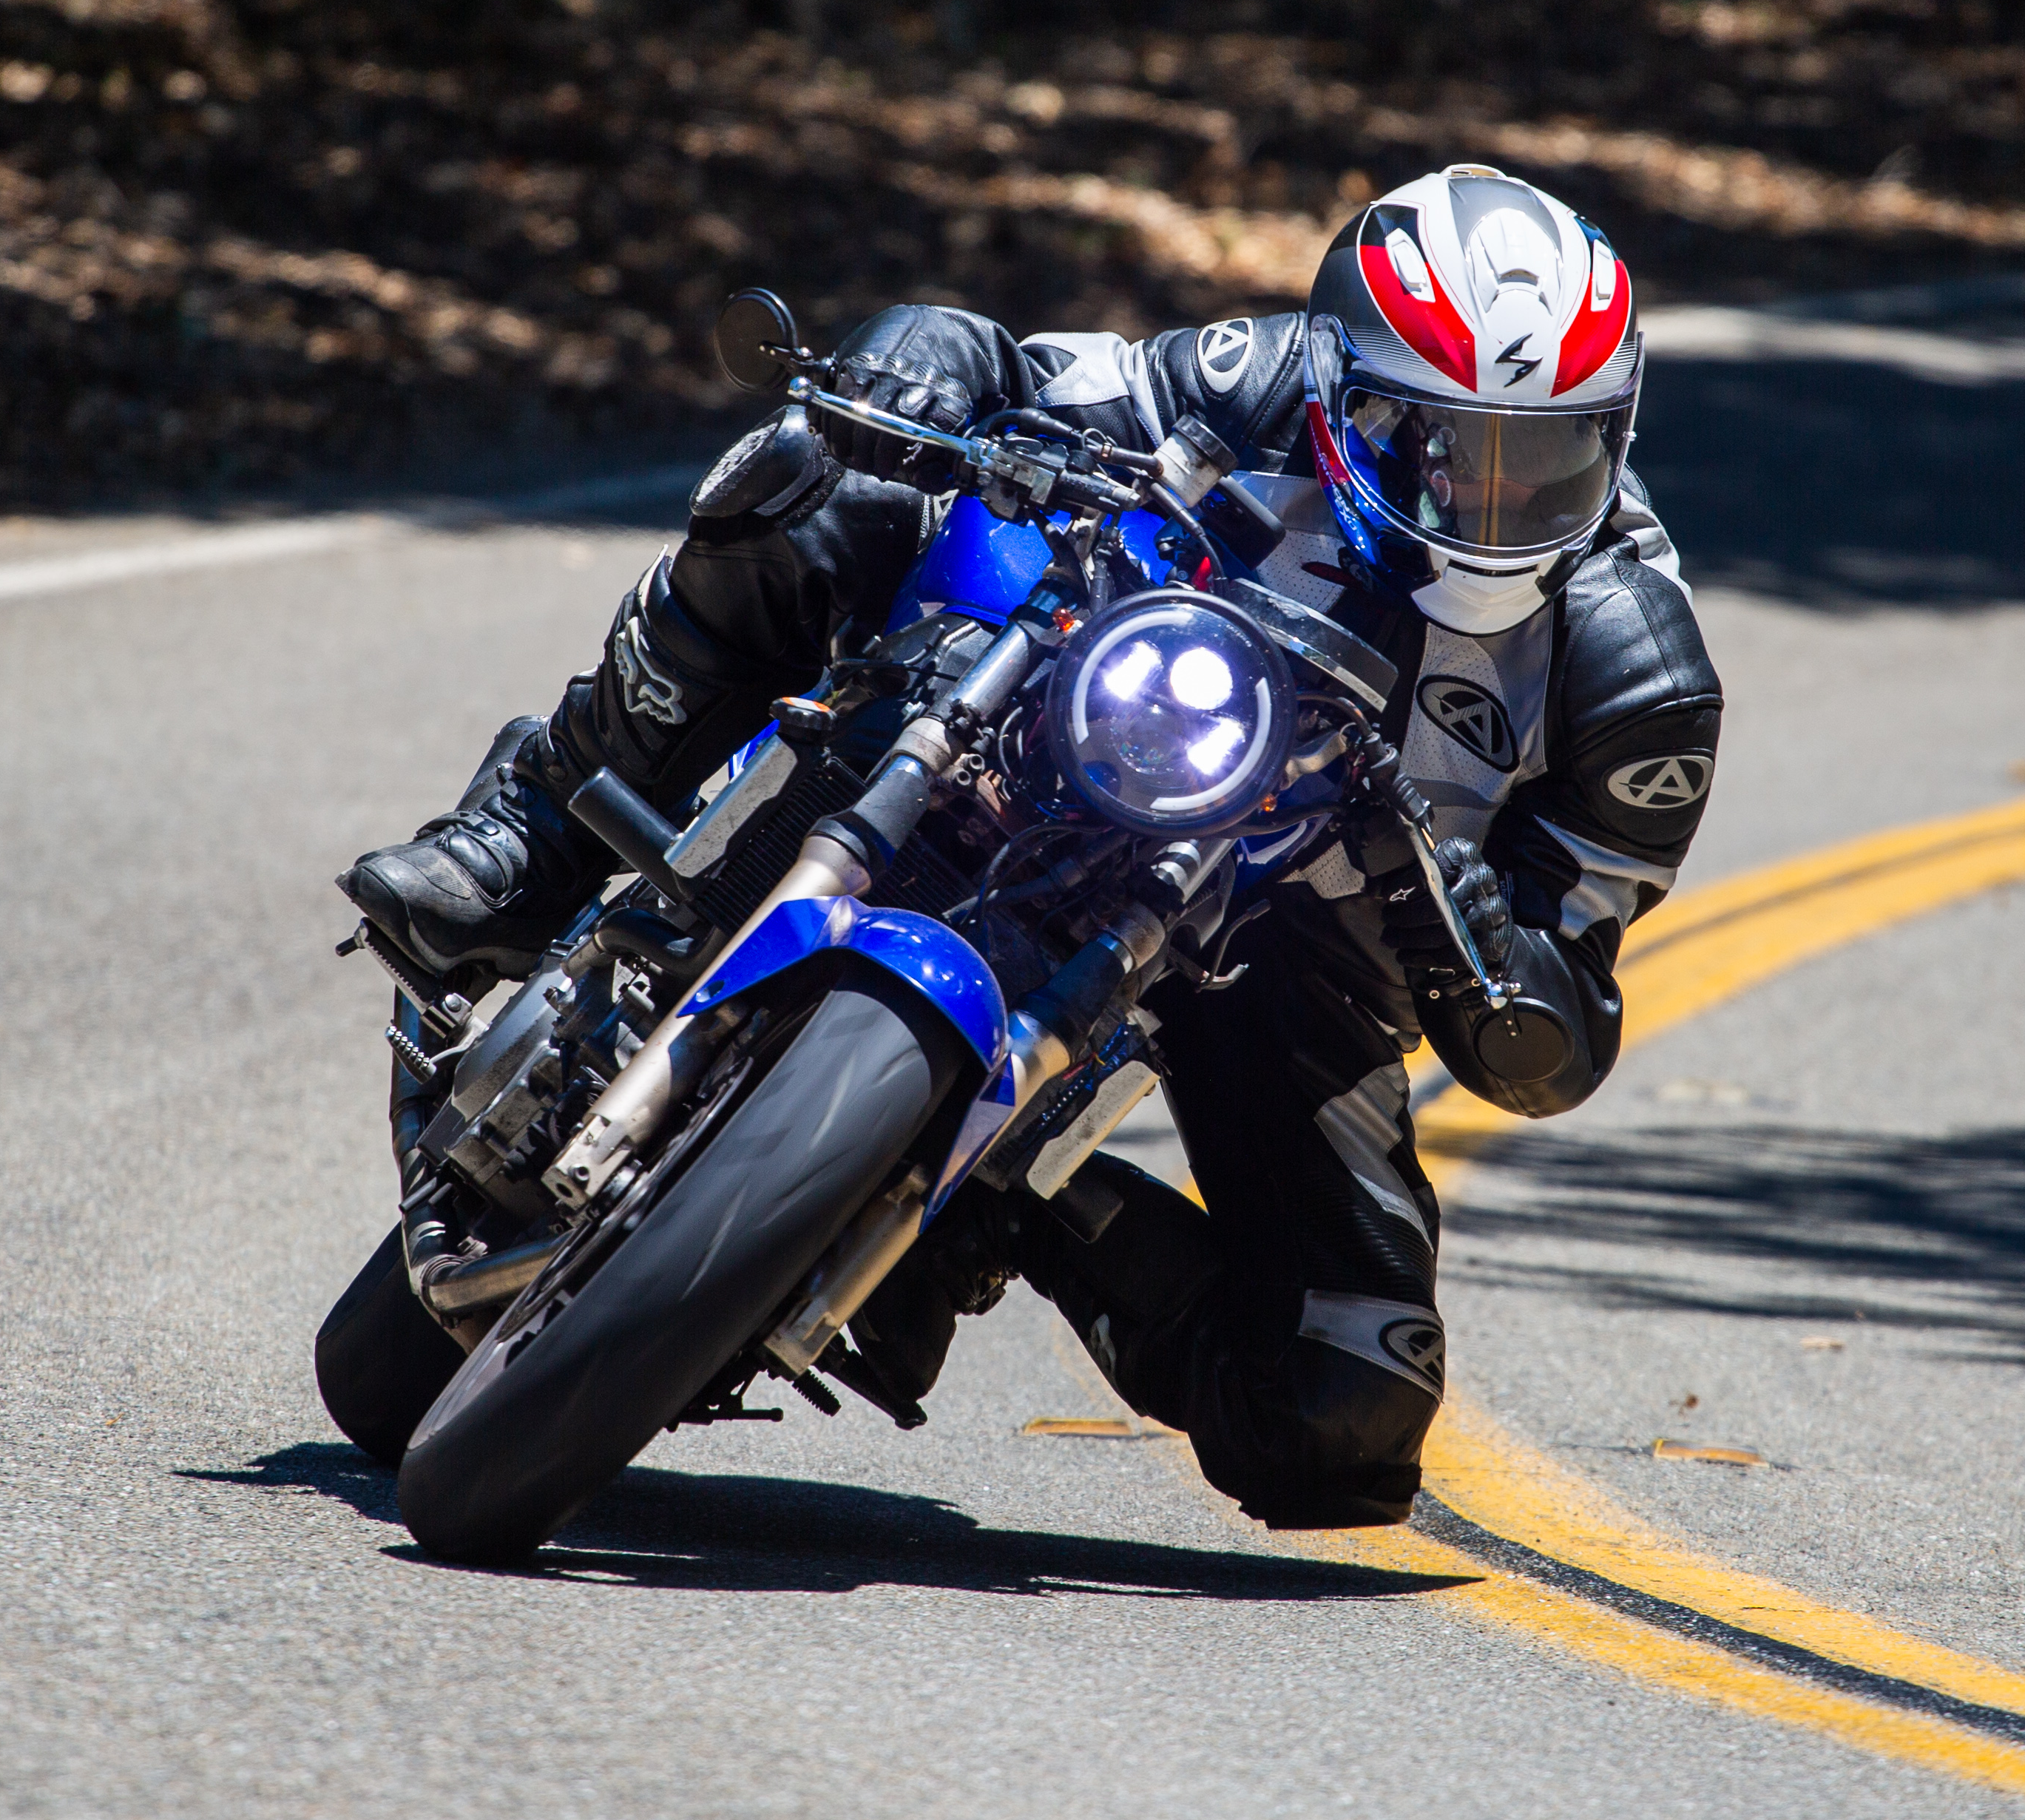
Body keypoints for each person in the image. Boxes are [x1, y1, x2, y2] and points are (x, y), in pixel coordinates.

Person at [344, 163, 1723, 1529]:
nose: (1488, 497)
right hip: (1084, 719)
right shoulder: (1261, 375)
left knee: (1338, 1413)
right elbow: (1031, 377)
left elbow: (1554, 1035)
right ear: (1342, 392)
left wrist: (1472, 930)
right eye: (1441, 446)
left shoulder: (1634, 682)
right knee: (823, 476)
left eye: (1543, 463)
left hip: (1292, 938)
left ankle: (1017, 1208)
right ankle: (528, 831)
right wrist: (932, 351)